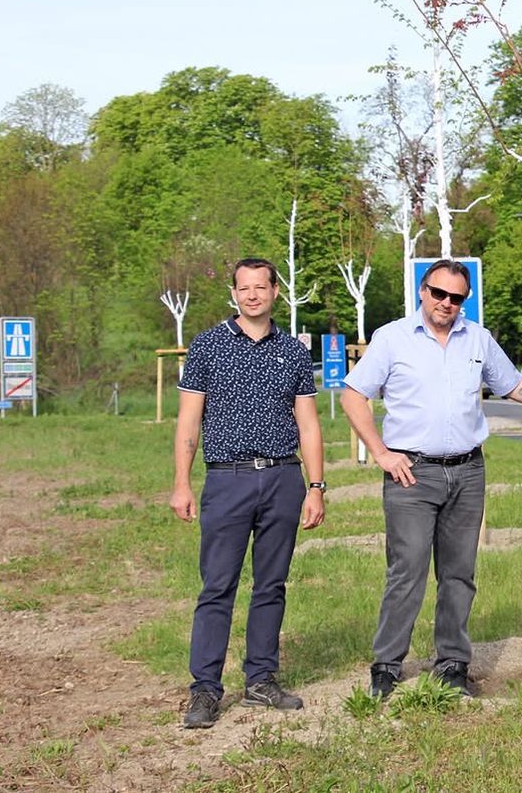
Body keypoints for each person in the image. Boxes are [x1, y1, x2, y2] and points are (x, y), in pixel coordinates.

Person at [340, 258, 522, 699]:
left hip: (468, 471)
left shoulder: (478, 339)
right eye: (439, 293)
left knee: (459, 574)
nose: (446, 303)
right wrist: (380, 452)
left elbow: (514, 386)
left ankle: (452, 664)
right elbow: (354, 394)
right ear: (423, 291)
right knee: (407, 571)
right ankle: (387, 666)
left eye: (456, 297)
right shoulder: (392, 338)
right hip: (412, 474)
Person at [171, 257, 326, 729]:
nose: (252, 295)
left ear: (275, 291)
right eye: (244, 288)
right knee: (217, 586)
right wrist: (181, 483)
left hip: (282, 478)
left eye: (261, 287)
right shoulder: (208, 345)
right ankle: (205, 689)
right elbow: (188, 421)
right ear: (234, 293)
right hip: (227, 480)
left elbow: (308, 424)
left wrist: (316, 487)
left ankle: (261, 679)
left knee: (271, 585)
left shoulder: (293, 352)